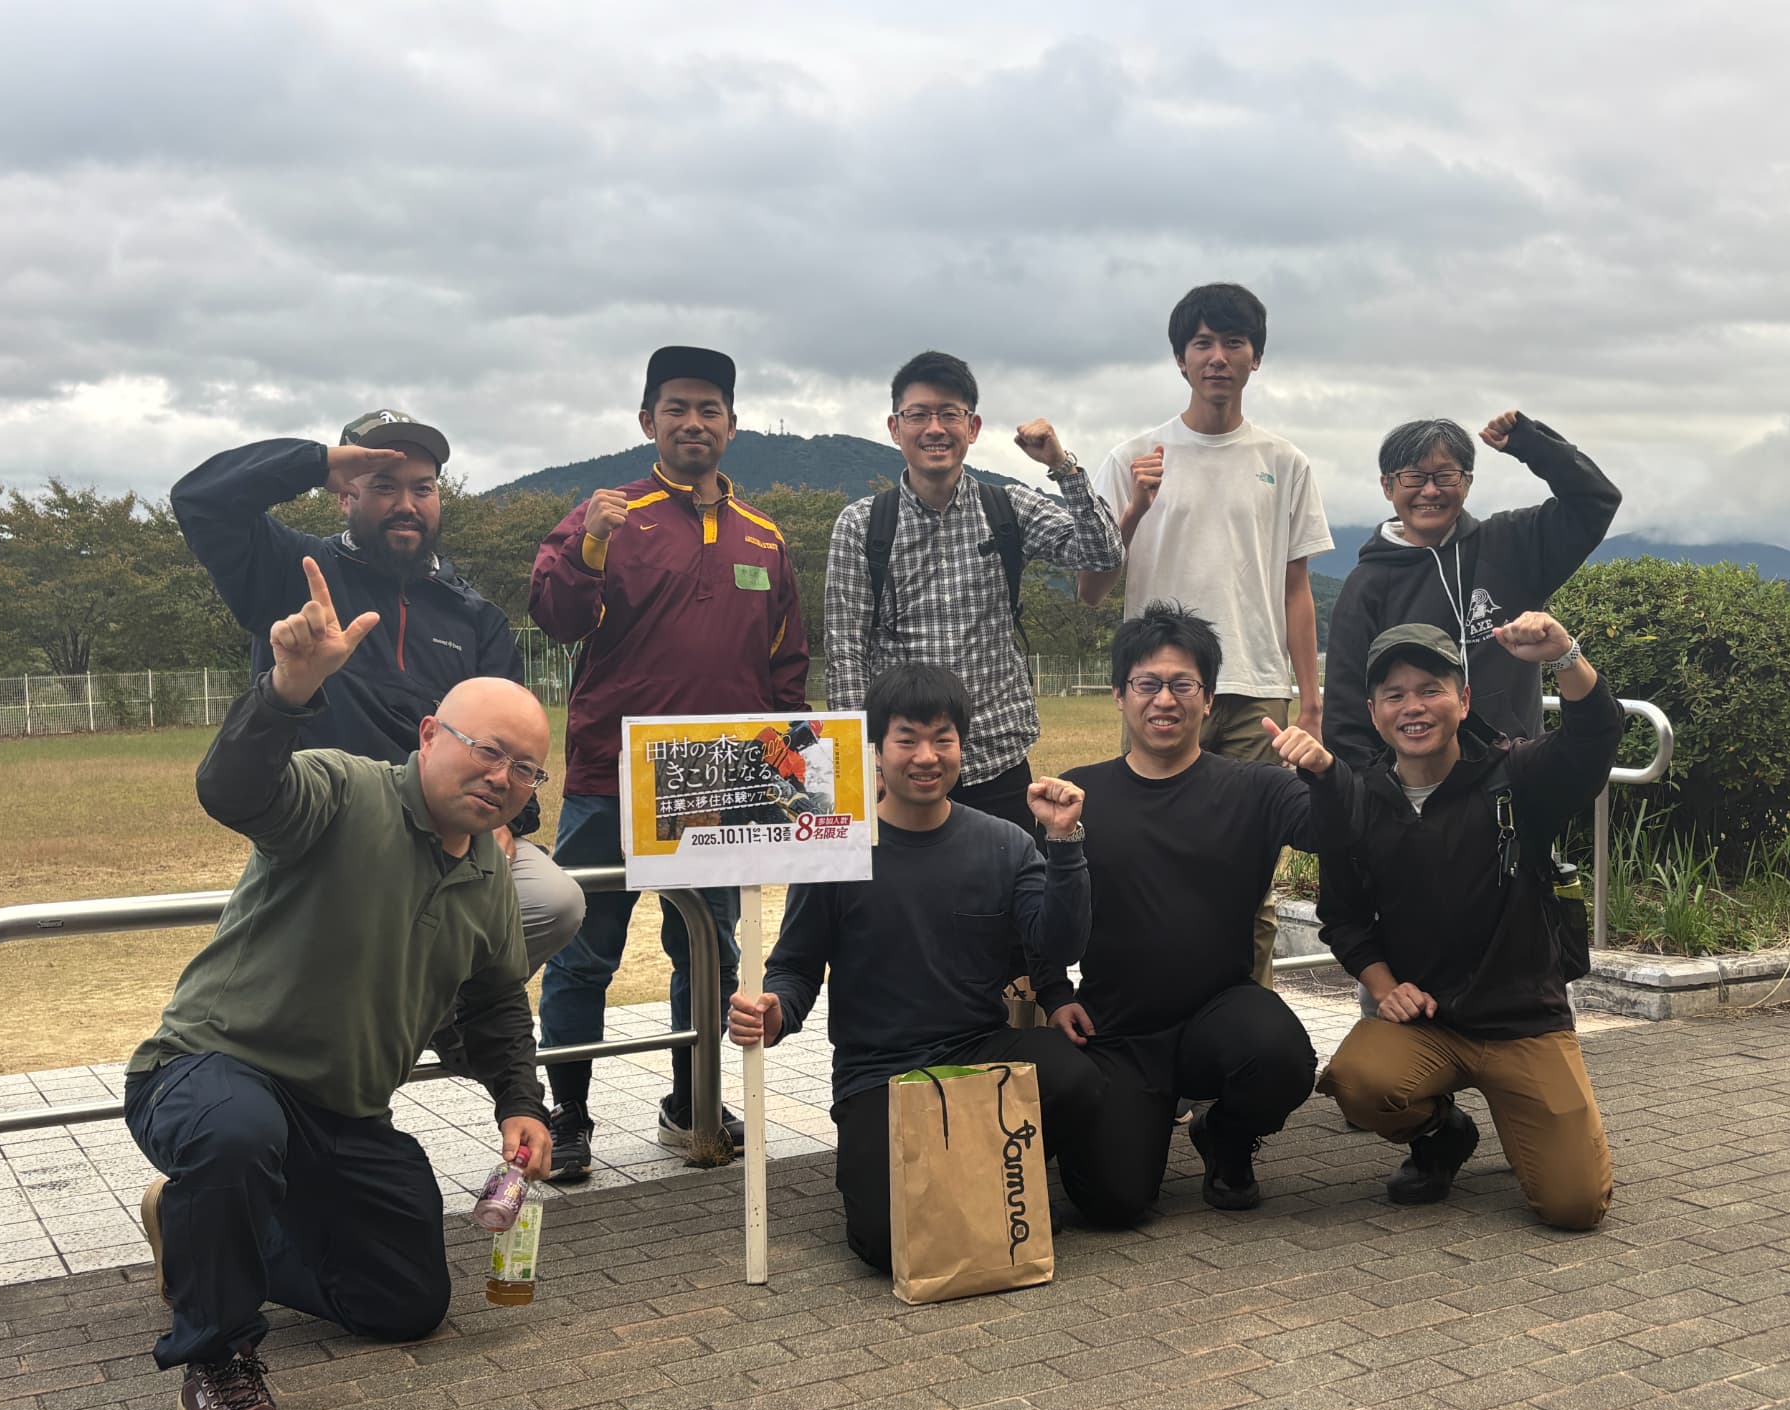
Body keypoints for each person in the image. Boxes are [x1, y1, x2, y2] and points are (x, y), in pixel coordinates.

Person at [128, 559, 553, 1410]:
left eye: (525, 769)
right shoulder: (342, 790)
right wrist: (289, 690)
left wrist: (521, 1103)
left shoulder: (489, 870)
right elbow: (234, 792)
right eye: (486, 750)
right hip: (211, 1070)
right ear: (430, 734)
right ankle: (217, 1357)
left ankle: (202, 1230)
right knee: (237, 1135)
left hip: (343, 1114)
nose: (502, 776)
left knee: (406, 1304)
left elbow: (494, 1002)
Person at [171, 411, 588, 1062]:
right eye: (383, 484)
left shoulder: (472, 614)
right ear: (345, 495)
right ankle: (338, 1044)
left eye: (423, 487)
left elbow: (514, 740)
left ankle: (434, 1017)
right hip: (328, 830)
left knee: (553, 899)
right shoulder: (293, 570)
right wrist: (315, 461)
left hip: (447, 836)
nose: (406, 504)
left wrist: (510, 822)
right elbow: (201, 499)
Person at [529, 346, 808, 1178]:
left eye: (709, 409)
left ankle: (694, 1102)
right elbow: (555, 617)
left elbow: (786, 669)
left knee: (709, 951)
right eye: (676, 408)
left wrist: (784, 776)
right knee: (584, 951)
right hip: (610, 779)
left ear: (732, 424)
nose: (694, 422)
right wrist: (590, 543)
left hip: (720, 782)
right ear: (647, 420)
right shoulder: (609, 516)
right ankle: (567, 1114)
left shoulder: (766, 536)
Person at [728, 663, 1100, 1269]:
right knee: (882, 1243)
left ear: (962, 747)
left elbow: (1058, 945)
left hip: (978, 1050)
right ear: (876, 750)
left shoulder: (1004, 843)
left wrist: (1063, 845)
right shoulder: (837, 850)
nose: (926, 756)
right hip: (879, 1072)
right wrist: (774, 1012)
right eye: (907, 739)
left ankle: (991, 1177)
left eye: (942, 738)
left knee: (1076, 1078)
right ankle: (971, 1185)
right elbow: (795, 967)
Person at [1315, 616, 1623, 1230]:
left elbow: (1593, 738)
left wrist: (1565, 656)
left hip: (1522, 1021)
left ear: (1463, 700)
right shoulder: (1358, 799)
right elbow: (1343, 918)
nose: (1413, 707)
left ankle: (1522, 1118)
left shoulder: (1518, 776)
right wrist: (1384, 987)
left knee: (1575, 1207)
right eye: (1394, 695)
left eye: (1431, 689)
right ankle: (1442, 1134)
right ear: (1374, 712)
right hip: (1428, 1025)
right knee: (1358, 1083)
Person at [1037, 602, 1323, 1223]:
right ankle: (1127, 1123)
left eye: (1182, 685)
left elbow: (1336, 834)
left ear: (1209, 698)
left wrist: (1322, 774)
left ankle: (1226, 1136)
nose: (1164, 700)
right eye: (1147, 684)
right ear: (1120, 696)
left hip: (1219, 1013)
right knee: (1112, 1204)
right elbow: (1036, 915)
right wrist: (1055, 991)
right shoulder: (1078, 794)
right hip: (1119, 1028)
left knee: (1280, 1056)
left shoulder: (1256, 788)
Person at [1083, 283, 1333, 983]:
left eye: (1233, 342)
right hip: (1158, 691)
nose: (1217, 357)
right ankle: (1149, 1018)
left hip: (1255, 693)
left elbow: (1296, 591)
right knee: (1146, 862)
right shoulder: (1134, 457)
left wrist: (1310, 702)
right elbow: (1091, 590)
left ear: (1256, 357)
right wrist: (1135, 509)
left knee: (1251, 881)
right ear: (1180, 359)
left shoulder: (1285, 462)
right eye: (1201, 343)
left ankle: (1246, 1023)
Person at [824, 350, 1123, 833]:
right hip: (901, 768)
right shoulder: (861, 525)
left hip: (996, 758)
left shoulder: (1008, 508)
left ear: (973, 427)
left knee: (1006, 880)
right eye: (918, 415)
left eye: (950, 414)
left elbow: (1104, 554)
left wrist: (1061, 466)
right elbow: (846, 654)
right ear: (895, 427)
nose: (934, 428)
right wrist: (862, 761)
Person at [1319, 411, 1621, 768]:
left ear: (1467, 482)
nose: (1430, 490)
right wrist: (1378, 792)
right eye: (1414, 477)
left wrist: (1531, 444)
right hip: (1414, 785)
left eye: (1445, 476)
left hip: (1514, 776)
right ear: (1388, 486)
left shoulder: (1512, 546)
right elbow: (1346, 717)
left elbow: (1595, 502)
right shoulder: (1365, 586)